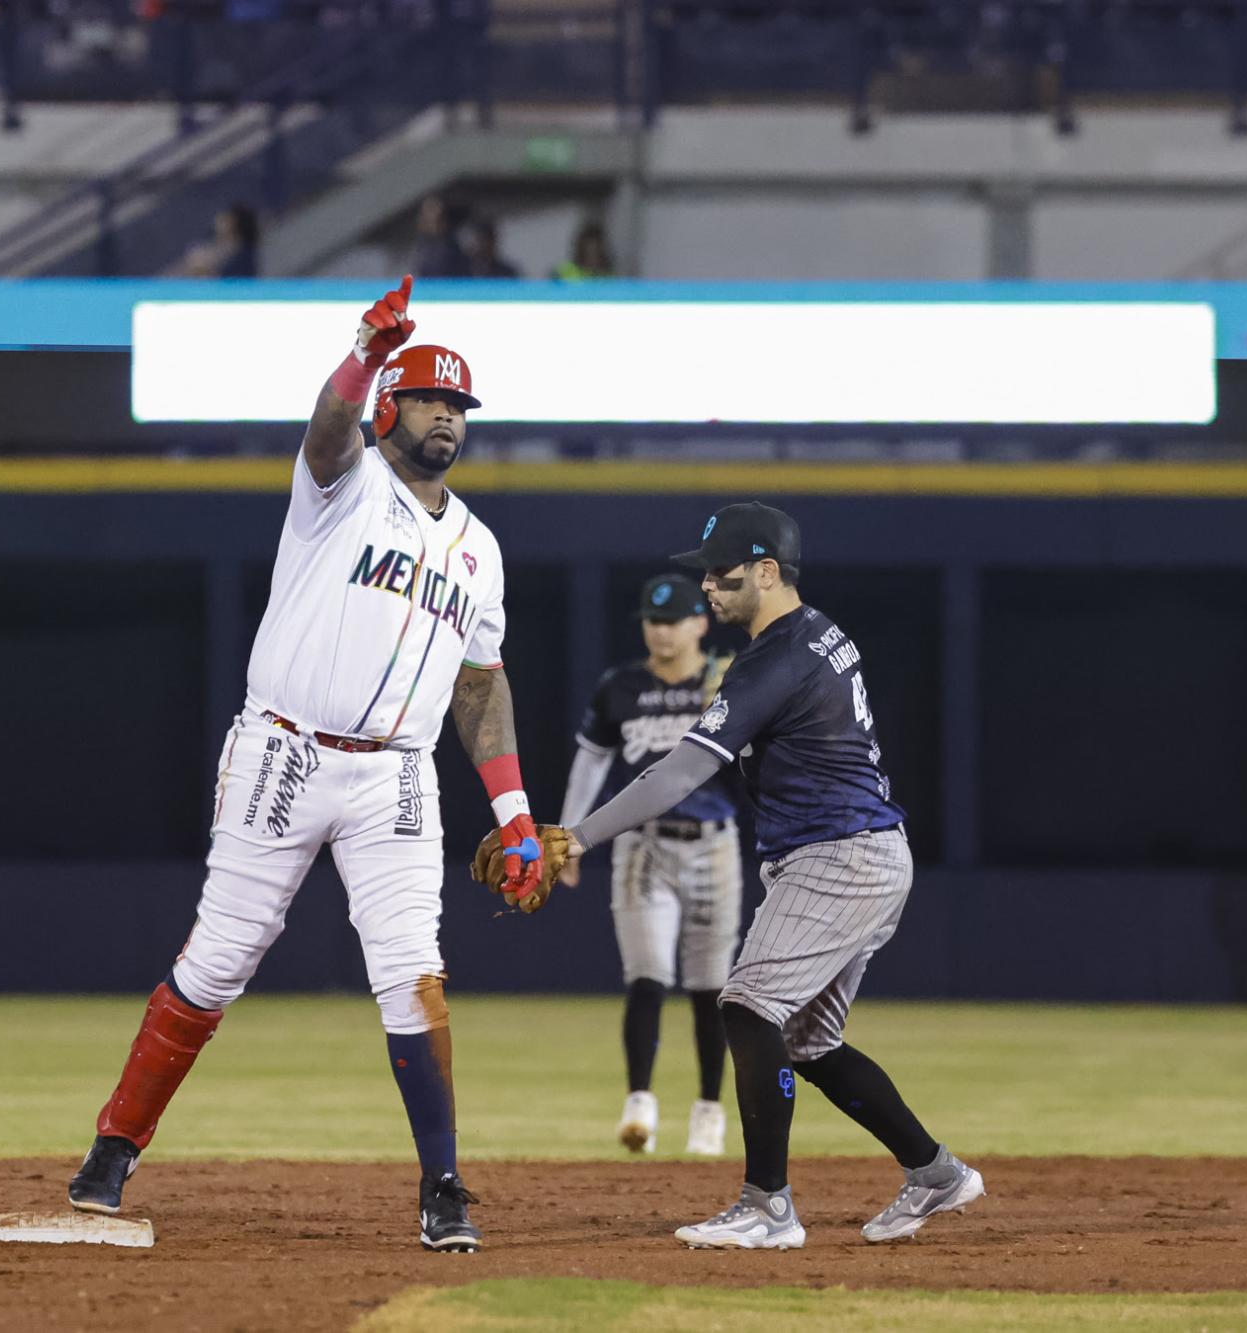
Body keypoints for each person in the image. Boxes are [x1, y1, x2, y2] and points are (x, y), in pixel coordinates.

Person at [67, 275, 543, 1254]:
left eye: (457, 404)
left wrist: (516, 812)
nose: (445, 417)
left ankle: (443, 1184)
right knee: (219, 957)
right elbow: (327, 430)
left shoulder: (481, 551)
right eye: (427, 397)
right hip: (285, 746)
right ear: (388, 406)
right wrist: (365, 349)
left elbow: (479, 688)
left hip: (397, 775)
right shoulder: (344, 481)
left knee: (413, 971)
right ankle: (115, 1144)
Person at [560, 502, 984, 1250]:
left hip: (840, 854)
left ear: (766, 571)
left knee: (748, 1006)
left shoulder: (776, 655)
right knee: (808, 1040)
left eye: (721, 576)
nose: (709, 590)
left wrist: (578, 835)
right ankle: (935, 1171)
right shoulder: (819, 630)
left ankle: (767, 1206)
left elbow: (681, 772)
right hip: (863, 849)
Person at [558, 575, 739, 1158]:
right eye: (652, 620)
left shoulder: (726, 679)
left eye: (673, 619)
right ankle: (640, 1102)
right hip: (644, 844)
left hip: (714, 840)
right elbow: (590, 764)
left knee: (712, 985)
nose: (661, 630)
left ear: (700, 624)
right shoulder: (622, 687)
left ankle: (710, 1110)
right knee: (647, 975)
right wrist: (567, 837)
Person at [181, 203, 260, 278]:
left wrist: (206, 271)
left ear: (234, 223)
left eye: (225, 219)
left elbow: (232, 281)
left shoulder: (243, 256)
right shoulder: (210, 248)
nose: (218, 220)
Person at [406, 195, 471, 278]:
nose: (428, 223)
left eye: (434, 219)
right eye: (425, 218)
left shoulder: (453, 249)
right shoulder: (418, 246)